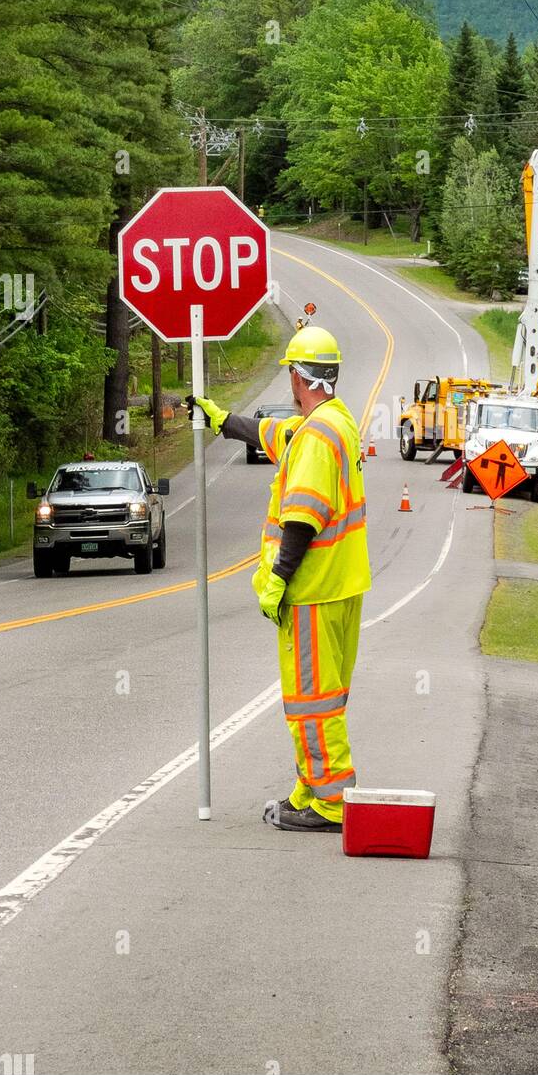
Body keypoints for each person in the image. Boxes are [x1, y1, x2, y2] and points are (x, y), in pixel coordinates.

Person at [187, 326, 371, 832]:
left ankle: (332, 803)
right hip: (342, 585)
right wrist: (223, 421)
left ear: (297, 375)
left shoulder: (316, 435)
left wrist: (278, 580)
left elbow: (303, 518)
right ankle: (310, 787)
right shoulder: (334, 422)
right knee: (324, 695)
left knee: (311, 699)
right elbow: (275, 436)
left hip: (312, 588)